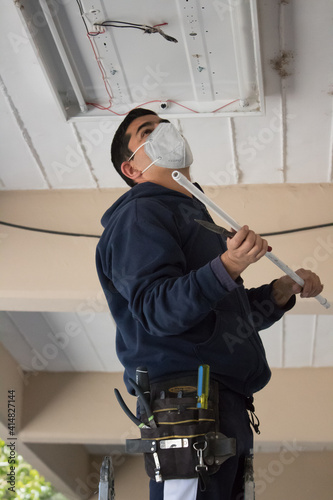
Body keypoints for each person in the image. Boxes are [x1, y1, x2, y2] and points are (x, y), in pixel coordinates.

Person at [96, 108, 323, 500]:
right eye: (147, 131)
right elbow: (157, 309)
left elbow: (225, 320)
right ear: (130, 169)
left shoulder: (195, 218)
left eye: (165, 125)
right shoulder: (140, 213)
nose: (164, 132)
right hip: (185, 402)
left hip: (218, 401)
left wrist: (279, 293)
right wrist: (230, 264)